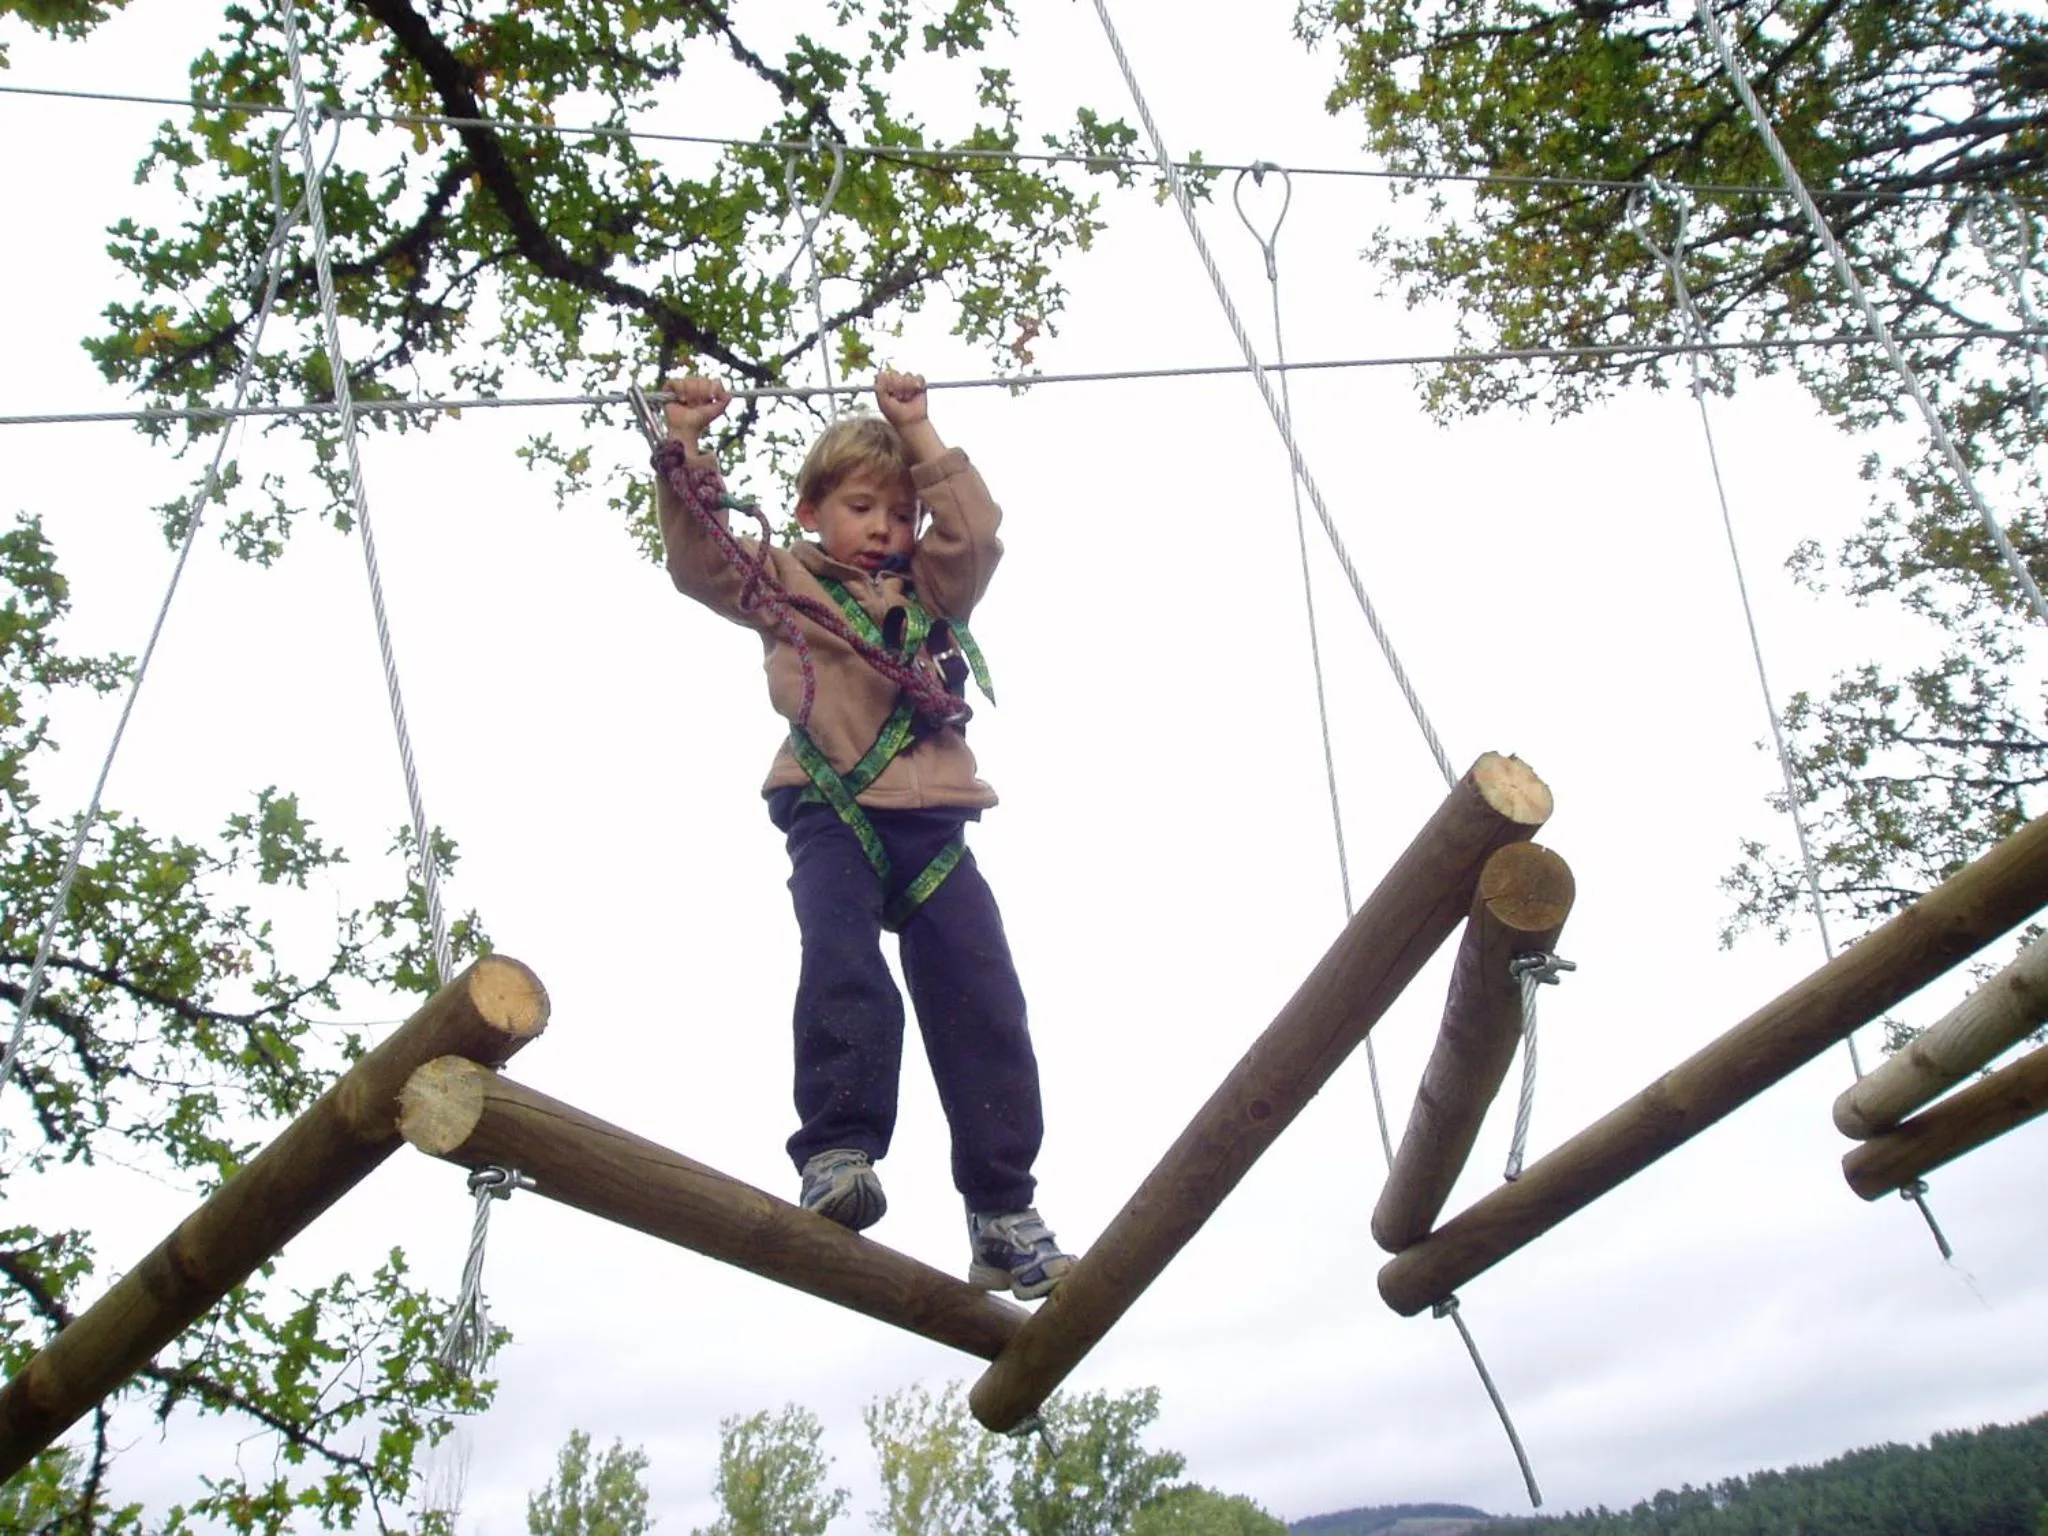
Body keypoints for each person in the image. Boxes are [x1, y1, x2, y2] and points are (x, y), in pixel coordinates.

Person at [652, 369, 1074, 1301]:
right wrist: (682, 442)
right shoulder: (785, 581)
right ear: (810, 511)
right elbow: (700, 556)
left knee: (985, 1001)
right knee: (844, 966)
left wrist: (918, 434)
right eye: (860, 506)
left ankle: (1003, 1210)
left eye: (898, 511)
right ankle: (838, 1150)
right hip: (832, 809)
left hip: (934, 827)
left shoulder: (933, 588)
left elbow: (976, 532)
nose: (884, 526)